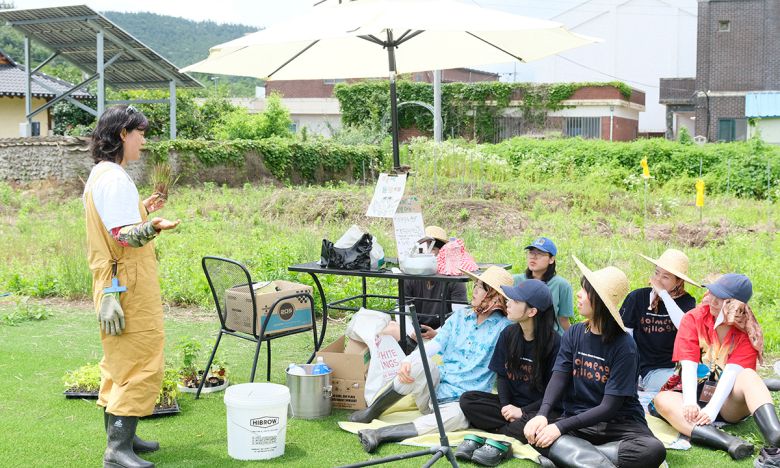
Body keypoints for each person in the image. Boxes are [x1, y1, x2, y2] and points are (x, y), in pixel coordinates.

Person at [84, 105, 180, 468]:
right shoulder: (113, 178)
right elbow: (123, 236)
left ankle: (125, 437)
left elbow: (117, 221)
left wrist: (142, 207)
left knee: (120, 361)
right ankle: (117, 450)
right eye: (140, 133)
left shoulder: (103, 174)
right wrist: (154, 225)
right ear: (123, 134)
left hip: (116, 280)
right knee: (140, 360)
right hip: (127, 283)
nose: (143, 140)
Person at [349, 266, 513, 453]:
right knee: (417, 362)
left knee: (459, 417)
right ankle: (371, 412)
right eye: (475, 285)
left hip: (463, 404)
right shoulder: (460, 317)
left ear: (494, 296)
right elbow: (435, 345)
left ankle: (381, 434)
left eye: (480, 287)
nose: (474, 290)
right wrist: (408, 362)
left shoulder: (505, 329)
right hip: (434, 393)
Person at [523, 256, 666, 468]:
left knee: (653, 450)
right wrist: (543, 414)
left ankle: (574, 456)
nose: (579, 294)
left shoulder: (625, 346)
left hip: (618, 424)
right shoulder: (574, 333)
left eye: (585, 291)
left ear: (599, 300)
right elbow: (559, 378)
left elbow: (609, 407)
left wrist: (560, 429)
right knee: (535, 432)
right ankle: (590, 459)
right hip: (578, 419)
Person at [652, 274, 780, 466]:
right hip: (694, 392)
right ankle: (730, 442)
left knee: (749, 376)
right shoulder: (693, 318)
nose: (710, 299)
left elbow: (730, 374)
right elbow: (688, 363)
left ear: (735, 306)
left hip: (728, 400)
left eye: (719, 298)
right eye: (711, 292)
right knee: (662, 399)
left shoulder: (747, 330)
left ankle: (776, 441)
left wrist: (712, 410)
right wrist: (689, 403)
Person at [457, 279, 561, 466]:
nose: (508, 302)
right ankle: (507, 429)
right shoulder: (508, 333)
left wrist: (522, 411)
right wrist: (506, 407)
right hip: (511, 406)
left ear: (532, 311)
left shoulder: (554, 344)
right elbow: (502, 376)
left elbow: (553, 395)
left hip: (538, 410)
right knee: (467, 400)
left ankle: (501, 432)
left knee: (538, 422)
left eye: (515, 300)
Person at [619, 249, 698, 411]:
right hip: (645, 369)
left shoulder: (687, 302)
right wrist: (630, 371)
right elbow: (625, 336)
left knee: (698, 386)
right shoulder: (637, 298)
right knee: (683, 390)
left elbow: (685, 327)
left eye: (666, 277)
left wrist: (664, 295)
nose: (658, 280)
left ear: (678, 281)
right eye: (657, 273)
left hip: (673, 367)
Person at [384, 226, 468, 349]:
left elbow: (459, 315)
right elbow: (401, 308)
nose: (427, 253)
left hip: (444, 333)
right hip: (416, 330)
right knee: (388, 328)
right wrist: (412, 332)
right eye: (422, 249)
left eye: (432, 248)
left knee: (461, 334)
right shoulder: (411, 275)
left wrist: (438, 333)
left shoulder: (453, 279)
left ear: (442, 252)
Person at [513, 237, 574, 335]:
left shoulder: (562, 285)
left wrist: (572, 341)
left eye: (540, 254)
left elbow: (563, 319)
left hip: (550, 339)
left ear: (551, 259)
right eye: (531, 252)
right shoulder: (515, 280)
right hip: (521, 336)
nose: (533, 257)